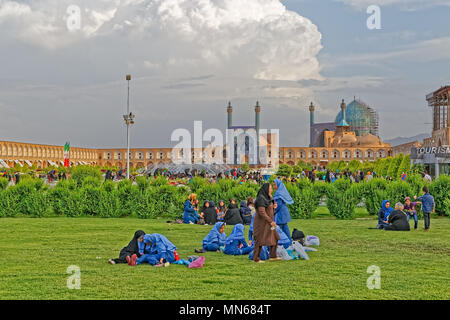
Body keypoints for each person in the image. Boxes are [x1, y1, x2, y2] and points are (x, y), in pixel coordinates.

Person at [252, 183, 280, 263]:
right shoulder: (261, 198)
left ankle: (273, 256)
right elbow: (262, 212)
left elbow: (269, 209)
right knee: (259, 240)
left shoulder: (268, 198)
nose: (271, 190)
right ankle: (256, 258)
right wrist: (270, 221)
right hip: (261, 224)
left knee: (276, 237)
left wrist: (273, 207)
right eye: (270, 188)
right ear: (266, 189)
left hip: (269, 223)